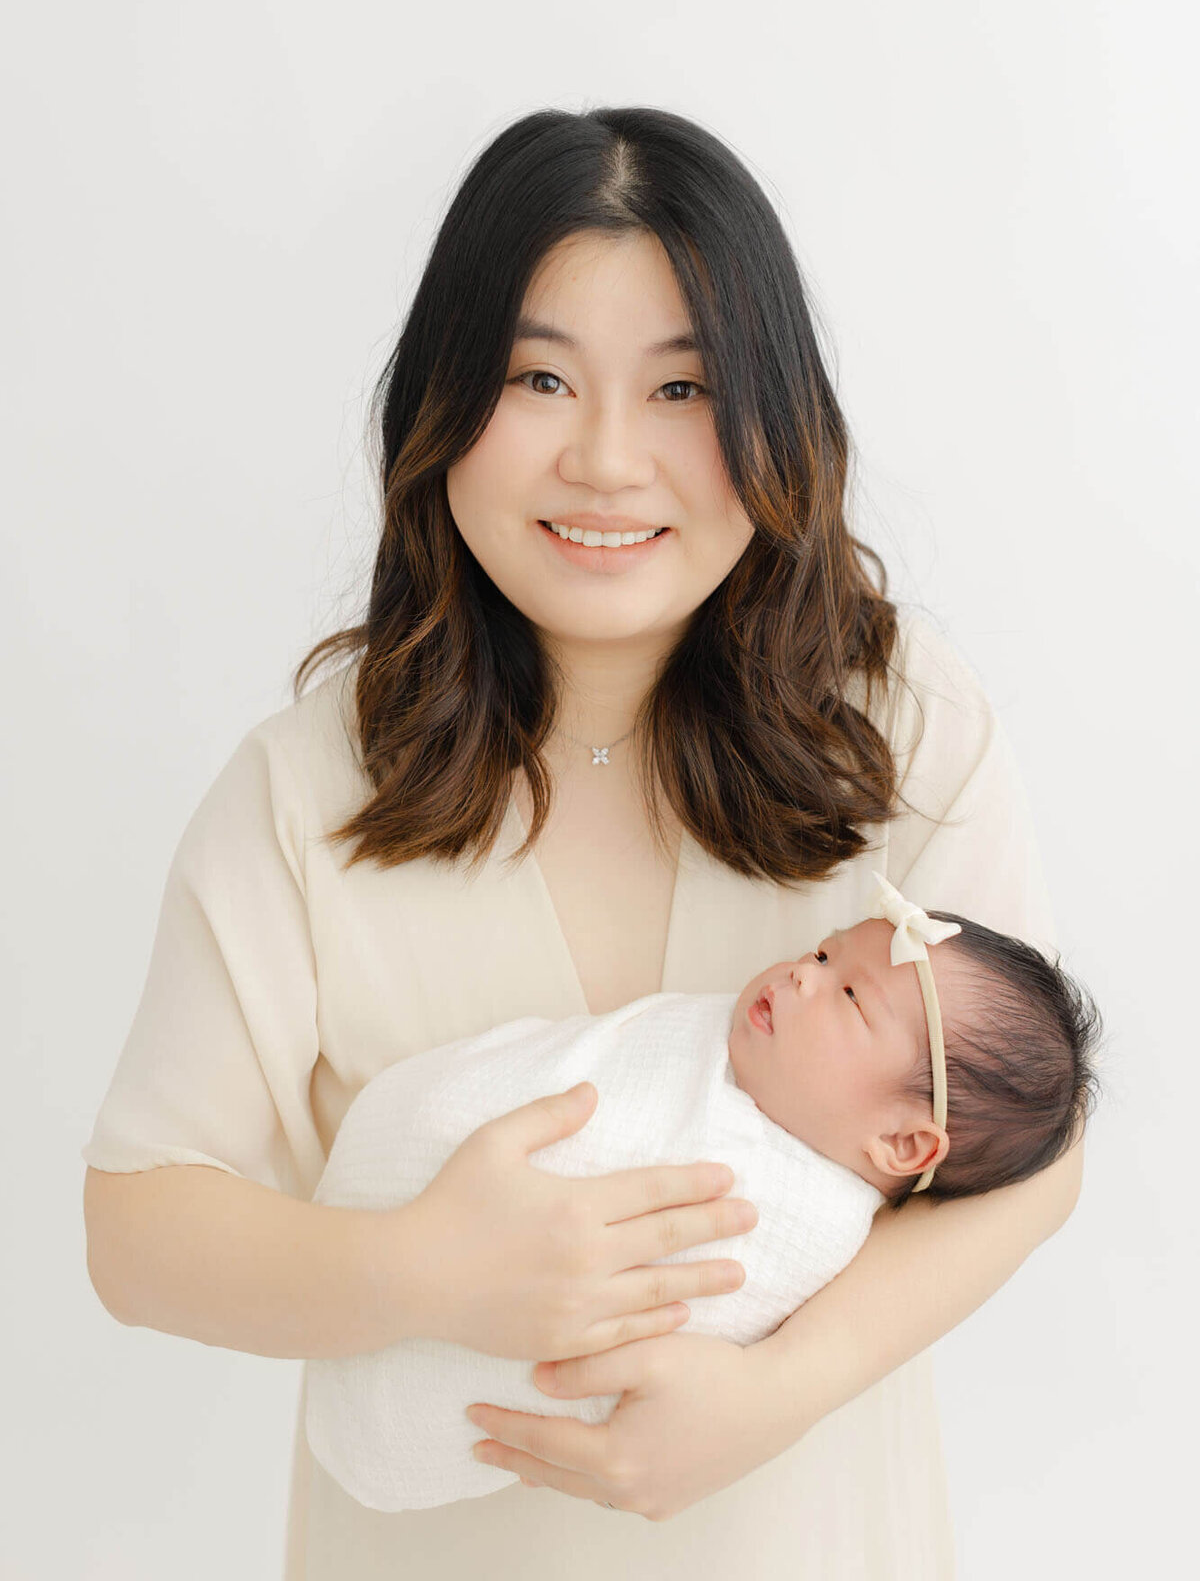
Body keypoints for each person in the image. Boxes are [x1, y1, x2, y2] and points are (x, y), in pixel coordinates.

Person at [81, 105, 1086, 1579]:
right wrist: (420, 1268)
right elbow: (137, 1230)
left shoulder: (899, 726)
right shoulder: (311, 790)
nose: (609, 461)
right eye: (540, 377)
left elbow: (1029, 1154)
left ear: (771, 419)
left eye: (682, 388)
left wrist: (768, 1398)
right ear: (441, 409)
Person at [302, 875, 1102, 1512]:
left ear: (902, 1143)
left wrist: (776, 1387)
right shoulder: (715, 1050)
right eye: (824, 958)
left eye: (851, 998)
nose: (803, 974)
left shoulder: (797, 1225)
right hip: (349, 1261)